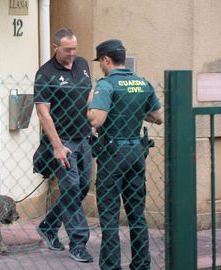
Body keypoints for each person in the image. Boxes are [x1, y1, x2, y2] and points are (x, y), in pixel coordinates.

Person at [87, 39, 163, 270]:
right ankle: (141, 264)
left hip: (113, 154)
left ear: (106, 59)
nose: (100, 66)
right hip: (136, 153)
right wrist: (134, 113)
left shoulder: (106, 85)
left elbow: (97, 119)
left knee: (109, 214)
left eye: (101, 61)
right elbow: (158, 117)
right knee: (136, 213)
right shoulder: (142, 83)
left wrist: (91, 103)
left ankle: (111, 266)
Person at [34, 28, 94, 263]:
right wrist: (57, 146)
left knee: (82, 187)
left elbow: (88, 95)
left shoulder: (82, 64)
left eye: (74, 49)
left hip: (84, 137)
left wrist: (93, 123)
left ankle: (49, 226)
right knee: (70, 188)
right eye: (67, 50)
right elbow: (43, 113)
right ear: (55, 47)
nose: (72, 54)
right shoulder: (45, 73)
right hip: (63, 141)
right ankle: (78, 242)